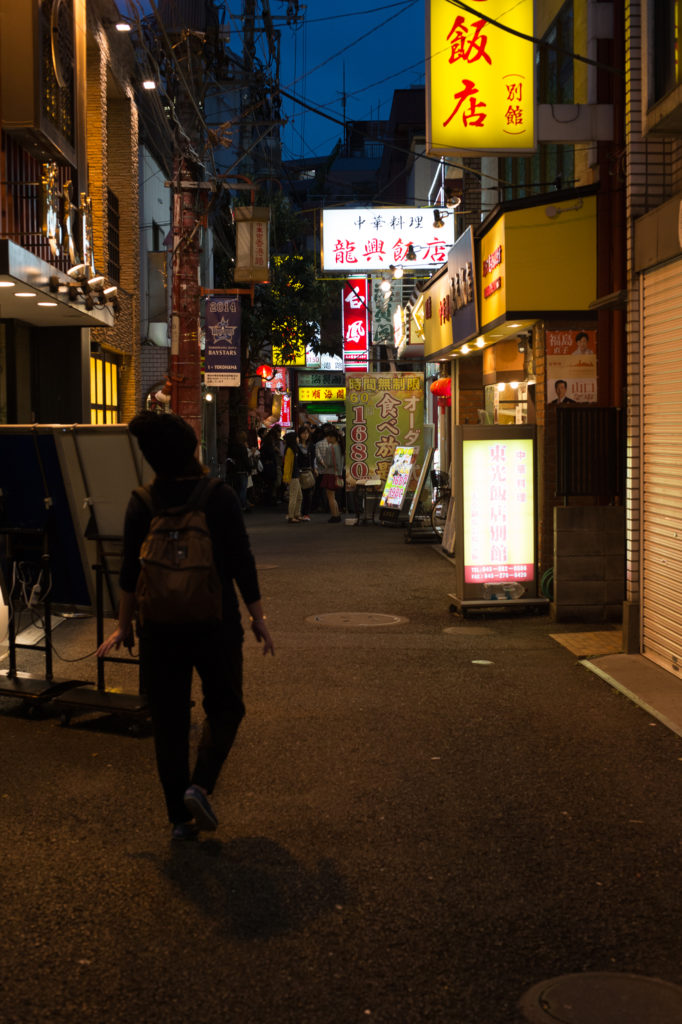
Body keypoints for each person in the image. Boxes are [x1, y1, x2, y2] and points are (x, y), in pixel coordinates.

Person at [96, 411, 274, 842]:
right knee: (226, 707)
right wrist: (258, 618)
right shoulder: (218, 496)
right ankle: (200, 785)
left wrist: (123, 626)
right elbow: (241, 561)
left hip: (159, 627)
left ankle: (179, 817)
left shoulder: (142, 501)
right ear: (191, 451)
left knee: (170, 720)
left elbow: (128, 573)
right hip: (216, 622)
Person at [315, 425, 344, 523]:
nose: (326, 439)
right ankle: (337, 514)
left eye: (328, 437)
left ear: (333, 438)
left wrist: (325, 463)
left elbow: (328, 463)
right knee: (334, 496)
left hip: (330, 474)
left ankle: (334, 515)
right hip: (337, 474)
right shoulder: (340, 447)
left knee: (330, 496)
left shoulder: (330, 448)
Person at [282, 430, 303, 523]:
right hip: (293, 476)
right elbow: (287, 465)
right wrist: (286, 477)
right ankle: (291, 516)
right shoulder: (290, 450)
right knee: (294, 496)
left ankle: (296, 514)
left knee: (299, 496)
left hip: (295, 475)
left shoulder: (294, 449)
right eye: (296, 437)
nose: (298, 439)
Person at [296, 424, 316, 521]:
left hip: (308, 471)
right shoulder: (296, 445)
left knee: (308, 493)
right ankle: (298, 512)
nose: (305, 435)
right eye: (303, 433)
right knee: (299, 493)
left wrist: (314, 468)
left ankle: (306, 513)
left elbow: (313, 458)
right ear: (299, 434)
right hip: (298, 471)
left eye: (307, 433)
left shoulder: (311, 445)